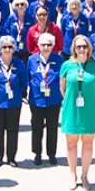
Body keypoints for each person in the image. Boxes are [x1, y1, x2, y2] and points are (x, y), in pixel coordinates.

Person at [60, 34, 95, 190]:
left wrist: (88, 99)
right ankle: (72, 174)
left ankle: (85, 175)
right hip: (71, 109)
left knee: (88, 143)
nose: (82, 49)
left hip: (90, 109)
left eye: (84, 46)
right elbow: (63, 89)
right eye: (78, 46)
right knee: (71, 143)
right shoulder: (66, 65)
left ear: (89, 48)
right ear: (74, 48)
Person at [0, 35, 28, 167]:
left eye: (10, 47)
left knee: (12, 130)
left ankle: (11, 157)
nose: (7, 49)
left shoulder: (19, 64)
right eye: (4, 47)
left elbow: (24, 82)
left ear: (14, 49)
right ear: (0, 49)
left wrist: (15, 91)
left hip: (13, 103)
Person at [27, 33, 64, 165]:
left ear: (53, 46)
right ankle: (37, 153)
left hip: (53, 99)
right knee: (37, 127)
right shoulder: (32, 59)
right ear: (38, 45)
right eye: (43, 45)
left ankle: (51, 153)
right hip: (36, 99)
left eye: (49, 45)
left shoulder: (58, 59)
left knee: (52, 127)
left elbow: (62, 77)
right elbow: (28, 77)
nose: (46, 47)